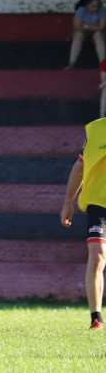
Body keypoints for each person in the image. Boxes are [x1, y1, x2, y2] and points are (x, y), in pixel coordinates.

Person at [60, 116, 106, 330]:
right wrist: (67, 202)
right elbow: (80, 166)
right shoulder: (96, 130)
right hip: (99, 205)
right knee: (97, 257)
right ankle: (96, 318)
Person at [65, 0, 106, 70]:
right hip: (83, 33)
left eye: (97, 6)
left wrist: (86, 26)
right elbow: (77, 27)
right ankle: (71, 63)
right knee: (78, 35)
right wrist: (93, 27)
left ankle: (103, 64)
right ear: (87, 5)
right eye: (93, 6)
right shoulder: (81, 10)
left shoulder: (102, 10)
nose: (96, 8)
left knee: (98, 34)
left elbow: (101, 27)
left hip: (97, 34)